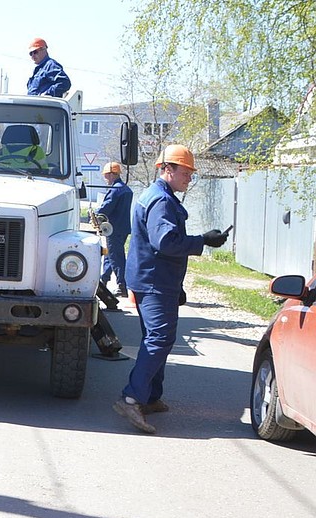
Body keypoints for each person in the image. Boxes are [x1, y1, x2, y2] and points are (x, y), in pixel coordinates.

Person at [113, 144, 228, 433]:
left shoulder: (157, 196)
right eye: (186, 172)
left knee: (156, 337)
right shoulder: (161, 201)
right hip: (154, 282)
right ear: (167, 169)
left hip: (154, 280)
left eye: (191, 173)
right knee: (160, 338)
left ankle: (150, 396)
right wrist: (203, 240)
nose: (190, 178)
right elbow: (165, 242)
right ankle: (131, 398)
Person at [96, 161, 133, 298]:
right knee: (111, 255)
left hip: (113, 228)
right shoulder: (126, 189)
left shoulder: (115, 190)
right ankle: (103, 280)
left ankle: (122, 286)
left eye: (106, 175)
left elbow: (106, 208)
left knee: (116, 257)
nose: (105, 178)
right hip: (122, 228)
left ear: (112, 174)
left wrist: (95, 213)